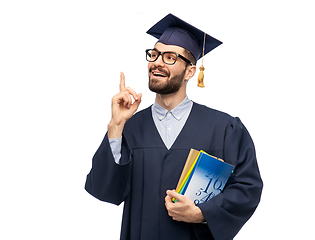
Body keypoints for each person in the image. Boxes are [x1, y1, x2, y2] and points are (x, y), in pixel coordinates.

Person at [85, 13, 263, 240]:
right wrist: (115, 126)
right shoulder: (129, 127)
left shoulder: (224, 128)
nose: (157, 62)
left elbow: (248, 188)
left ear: (190, 71)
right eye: (154, 54)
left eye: (170, 57)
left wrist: (201, 213)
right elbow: (104, 191)